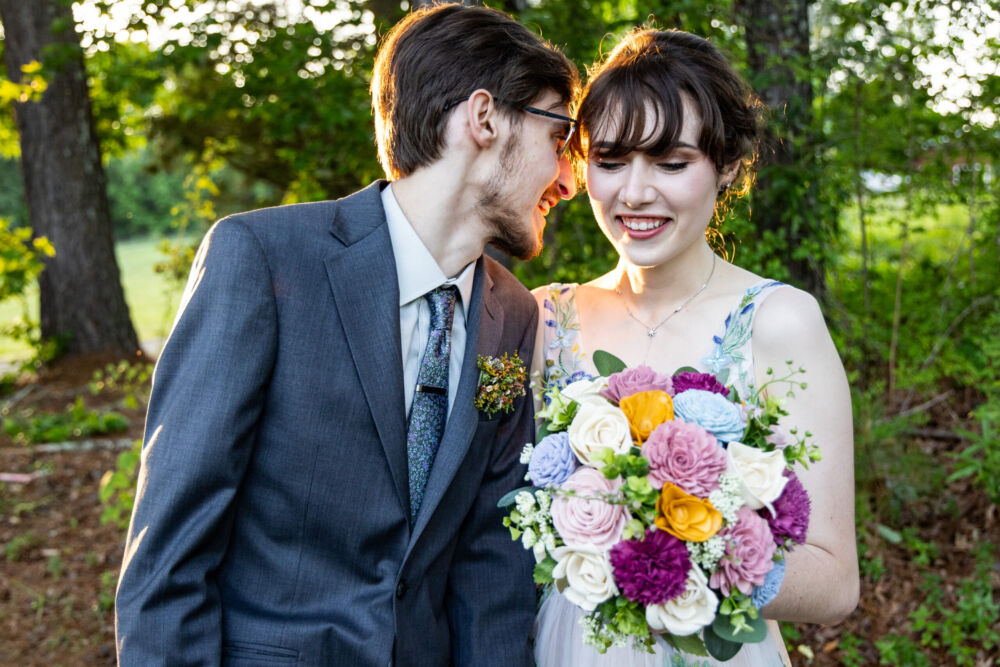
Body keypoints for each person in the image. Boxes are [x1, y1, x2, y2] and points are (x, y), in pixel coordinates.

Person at [114, 5, 579, 665]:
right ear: (484, 117)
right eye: (558, 135)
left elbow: (490, 572)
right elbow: (169, 556)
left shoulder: (513, 314)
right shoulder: (263, 259)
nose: (568, 179)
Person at [530, 27, 859, 666]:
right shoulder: (545, 317)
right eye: (611, 160)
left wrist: (674, 557)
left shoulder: (779, 321)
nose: (635, 193)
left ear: (728, 166)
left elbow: (835, 580)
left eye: (671, 163)